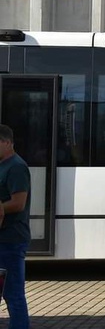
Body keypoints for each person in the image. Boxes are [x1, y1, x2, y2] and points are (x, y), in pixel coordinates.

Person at [0, 124, 30, 329]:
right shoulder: (3, 164)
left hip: (10, 240)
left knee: (13, 295)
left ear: (7, 142)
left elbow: (18, 203)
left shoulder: (17, 166)